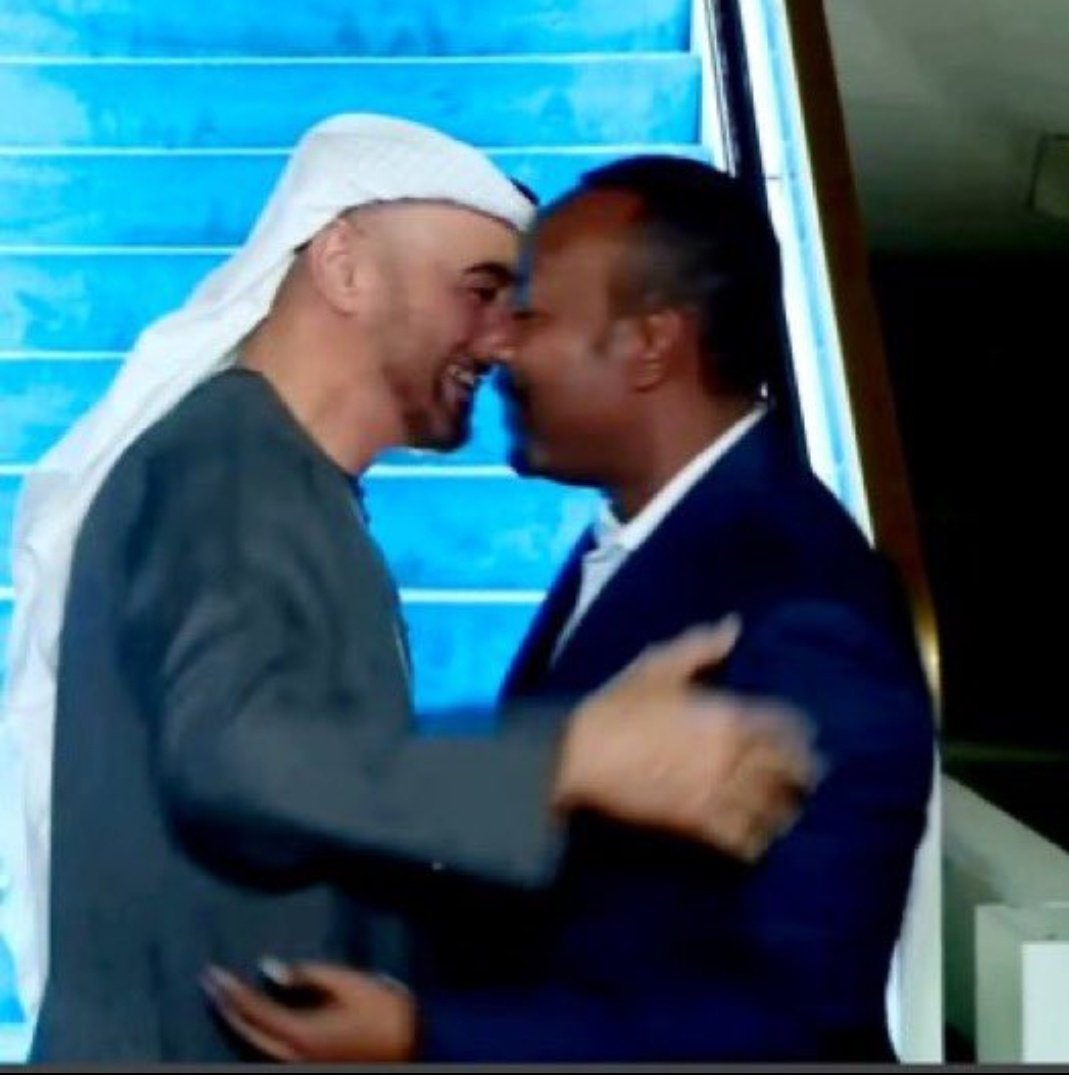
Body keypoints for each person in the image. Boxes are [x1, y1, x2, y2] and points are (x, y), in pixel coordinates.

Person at [0, 118, 814, 1061]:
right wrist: (565, 760)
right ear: (344, 266)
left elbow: (319, 837)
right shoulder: (230, 474)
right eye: (478, 291)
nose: (502, 342)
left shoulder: (290, 483)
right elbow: (239, 762)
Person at [207, 156, 935, 1061]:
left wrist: (425, 1035)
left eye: (531, 314)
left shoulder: (804, 602)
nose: (499, 347)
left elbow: (795, 1013)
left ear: (651, 344)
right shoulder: (636, 539)